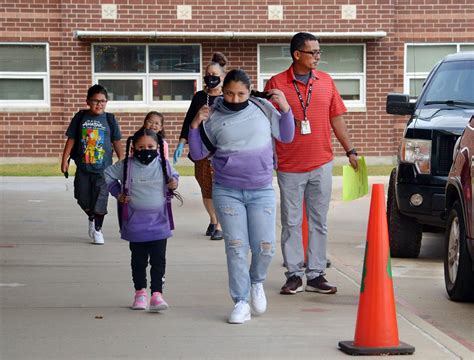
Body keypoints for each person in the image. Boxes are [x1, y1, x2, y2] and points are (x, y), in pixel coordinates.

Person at [188, 69, 295, 324]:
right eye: (229, 93)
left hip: (261, 190)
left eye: (241, 94)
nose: (235, 99)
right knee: (236, 247)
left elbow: (287, 135)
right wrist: (194, 124)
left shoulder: (263, 108)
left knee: (265, 247)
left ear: (249, 92)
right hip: (227, 191)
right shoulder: (211, 115)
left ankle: (256, 282)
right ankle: (241, 302)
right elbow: (197, 153)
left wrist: (286, 108)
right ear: (222, 91)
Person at [265, 32, 358, 295]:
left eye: (319, 52)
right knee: (292, 222)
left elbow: (337, 119)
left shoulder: (326, 82)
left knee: (319, 220)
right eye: (313, 52)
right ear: (297, 55)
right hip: (290, 165)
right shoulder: (277, 83)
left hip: (321, 163)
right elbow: (269, 124)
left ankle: (316, 274)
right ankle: (294, 274)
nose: (318, 57)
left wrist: (350, 150)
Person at [104, 128, 179, 312]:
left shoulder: (163, 164)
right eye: (141, 147)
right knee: (138, 261)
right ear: (133, 148)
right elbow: (107, 175)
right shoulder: (126, 166)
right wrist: (118, 193)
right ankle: (140, 293)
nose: (146, 150)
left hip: (159, 224)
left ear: (158, 147)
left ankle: (157, 294)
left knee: (158, 260)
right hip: (135, 224)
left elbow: (174, 178)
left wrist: (173, 183)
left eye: (151, 146)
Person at [173, 52, 227, 240]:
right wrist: (182, 143)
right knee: (206, 187)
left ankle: (220, 225)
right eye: (207, 74)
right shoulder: (199, 97)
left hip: (221, 152)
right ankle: (213, 219)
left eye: (214, 74)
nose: (210, 77)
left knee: (219, 188)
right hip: (200, 150)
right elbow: (189, 120)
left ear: (223, 76)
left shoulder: (228, 97)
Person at [61, 84, 123, 245]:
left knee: (101, 199)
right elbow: (72, 139)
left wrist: (121, 159)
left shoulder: (110, 119)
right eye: (95, 101)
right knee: (81, 197)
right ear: (88, 101)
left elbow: (116, 140)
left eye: (103, 101)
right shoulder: (81, 117)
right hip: (83, 167)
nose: (99, 104)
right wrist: (64, 160)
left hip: (104, 169)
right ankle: (91, 217)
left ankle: (98, 230)